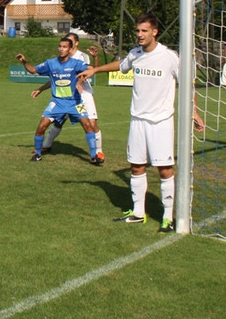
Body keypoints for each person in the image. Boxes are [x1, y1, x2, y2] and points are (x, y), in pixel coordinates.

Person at [80, 13, 204, 233]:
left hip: (160, 122)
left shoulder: (169, 56)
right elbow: (121, 65)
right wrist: (96, 69)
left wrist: (194, 111)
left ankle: (167, 217)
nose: (139, 34)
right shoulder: (135, 53)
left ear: (155, 32)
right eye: (138, 30)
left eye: (144, 31)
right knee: (136, 166)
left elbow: (187, 84)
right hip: (137, 120)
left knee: (164, 169)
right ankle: (138, 213)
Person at [15, 37, 94, 163]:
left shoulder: (76, 63)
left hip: (75, 102)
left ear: (70, 49)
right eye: (60, 46)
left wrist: (95, 58)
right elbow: (33, 70)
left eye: (64, 47)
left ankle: (94, 156)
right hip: (57, 103)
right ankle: (38, 154)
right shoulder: (50, 63)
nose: (61, 49)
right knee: (41, 126)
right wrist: (24, 61)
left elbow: (93, 69)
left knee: (88, 125)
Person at [35, 33, 104, 164]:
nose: (64, 46)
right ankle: (46, 145)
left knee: (91, 124)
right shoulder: (60, 60)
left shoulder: (81, 56)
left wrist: (79, 82)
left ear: (75, 44)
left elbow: (89, 72)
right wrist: (41, 89)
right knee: (58, 122)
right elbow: (57, 80)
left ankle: (98, 151)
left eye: (69, 42)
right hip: (66, 96)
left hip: (83, 94)